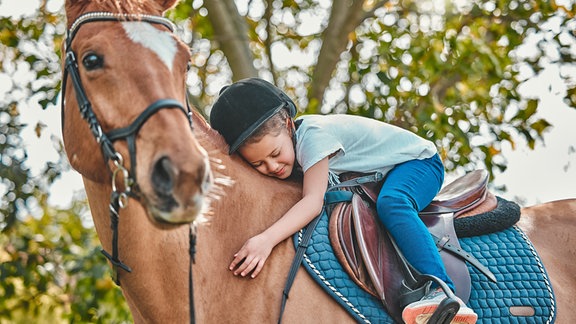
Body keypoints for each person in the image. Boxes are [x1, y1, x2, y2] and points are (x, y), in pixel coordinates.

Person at [210, 77, 477, 324]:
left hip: (419, 163)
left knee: (393, 203)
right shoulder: (290, 149)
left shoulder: (313, 137)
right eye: (258, 163)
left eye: (275, 153)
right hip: (383, 172)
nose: (272, 166)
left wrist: (266, 240)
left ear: (289, 125)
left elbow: (312, 202)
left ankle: (442, 290)